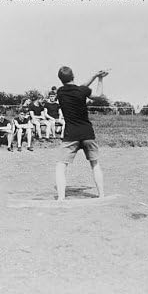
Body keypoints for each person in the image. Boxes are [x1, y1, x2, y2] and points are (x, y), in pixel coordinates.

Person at [55, 66, 108, 201]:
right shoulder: (82, 91)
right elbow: (98, 95)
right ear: (74, 76)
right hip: (87, 132)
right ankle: (101, 195)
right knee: (95, 164)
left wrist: (95, 75)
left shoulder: (60, 92)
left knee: (61, 166)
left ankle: (61, 198)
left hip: (71, 134)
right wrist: (99, 78)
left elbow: (79, 87)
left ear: (61, 80)